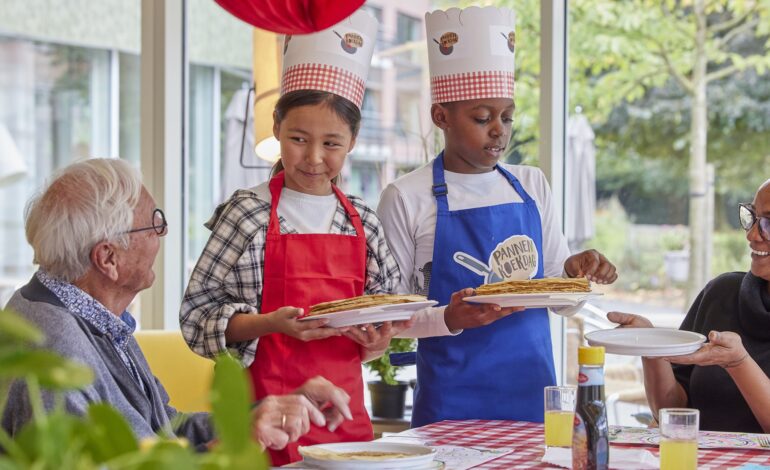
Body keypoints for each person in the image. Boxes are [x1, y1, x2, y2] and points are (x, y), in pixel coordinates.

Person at [1, 158, 354, 452]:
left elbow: (164, 431)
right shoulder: (53, 349)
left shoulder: (93, 316)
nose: (161, 235)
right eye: (153, 223)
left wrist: (265, 412)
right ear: (108, 258)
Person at [377, 6, 618, 428]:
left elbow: (560, 296)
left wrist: (576, 273)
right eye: (482, 118)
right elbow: (391, 315)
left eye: (507, 117)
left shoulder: (531, 183)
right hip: (450, 406)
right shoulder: (405, 196)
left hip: (534, 397)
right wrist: (451, 318)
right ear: (441, 117)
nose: (499, 131)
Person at [608, 179, 770, 433]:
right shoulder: (722, 293)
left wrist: (739, 363)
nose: (751, 235)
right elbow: (671, 410)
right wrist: (652, 346)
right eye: (753, 217)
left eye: (769, 223)